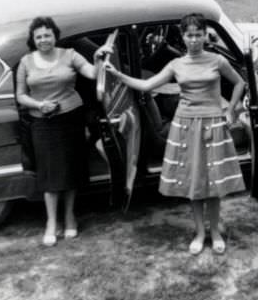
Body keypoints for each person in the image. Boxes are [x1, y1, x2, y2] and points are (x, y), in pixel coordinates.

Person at [105, 13, 246, 255]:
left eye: (198, 35)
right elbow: (147, 85)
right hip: (186, 126)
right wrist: (117, 75)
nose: (194, 40)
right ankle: (200, 232)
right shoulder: (176, 64)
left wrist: (231, 109)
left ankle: (215, 232)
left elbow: (240, 83)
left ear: (205, 35)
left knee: (213, 182)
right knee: (194, 181)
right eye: (189, 35)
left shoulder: (217, 60)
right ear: (183, 36)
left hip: (212, 123)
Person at [15, 16, 109, 246]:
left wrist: (98, 58)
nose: (43, 40)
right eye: (38, 36)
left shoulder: (70, 55)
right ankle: (50, 222)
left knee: (70, 170)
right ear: (33, 40)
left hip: (71, 119)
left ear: (55, 35)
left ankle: (69, 217)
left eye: (47, 35)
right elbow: (20, 95)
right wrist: (39, 105)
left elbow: (92, 74)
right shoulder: (25, 62)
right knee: (48, 173)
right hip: (42, 122)